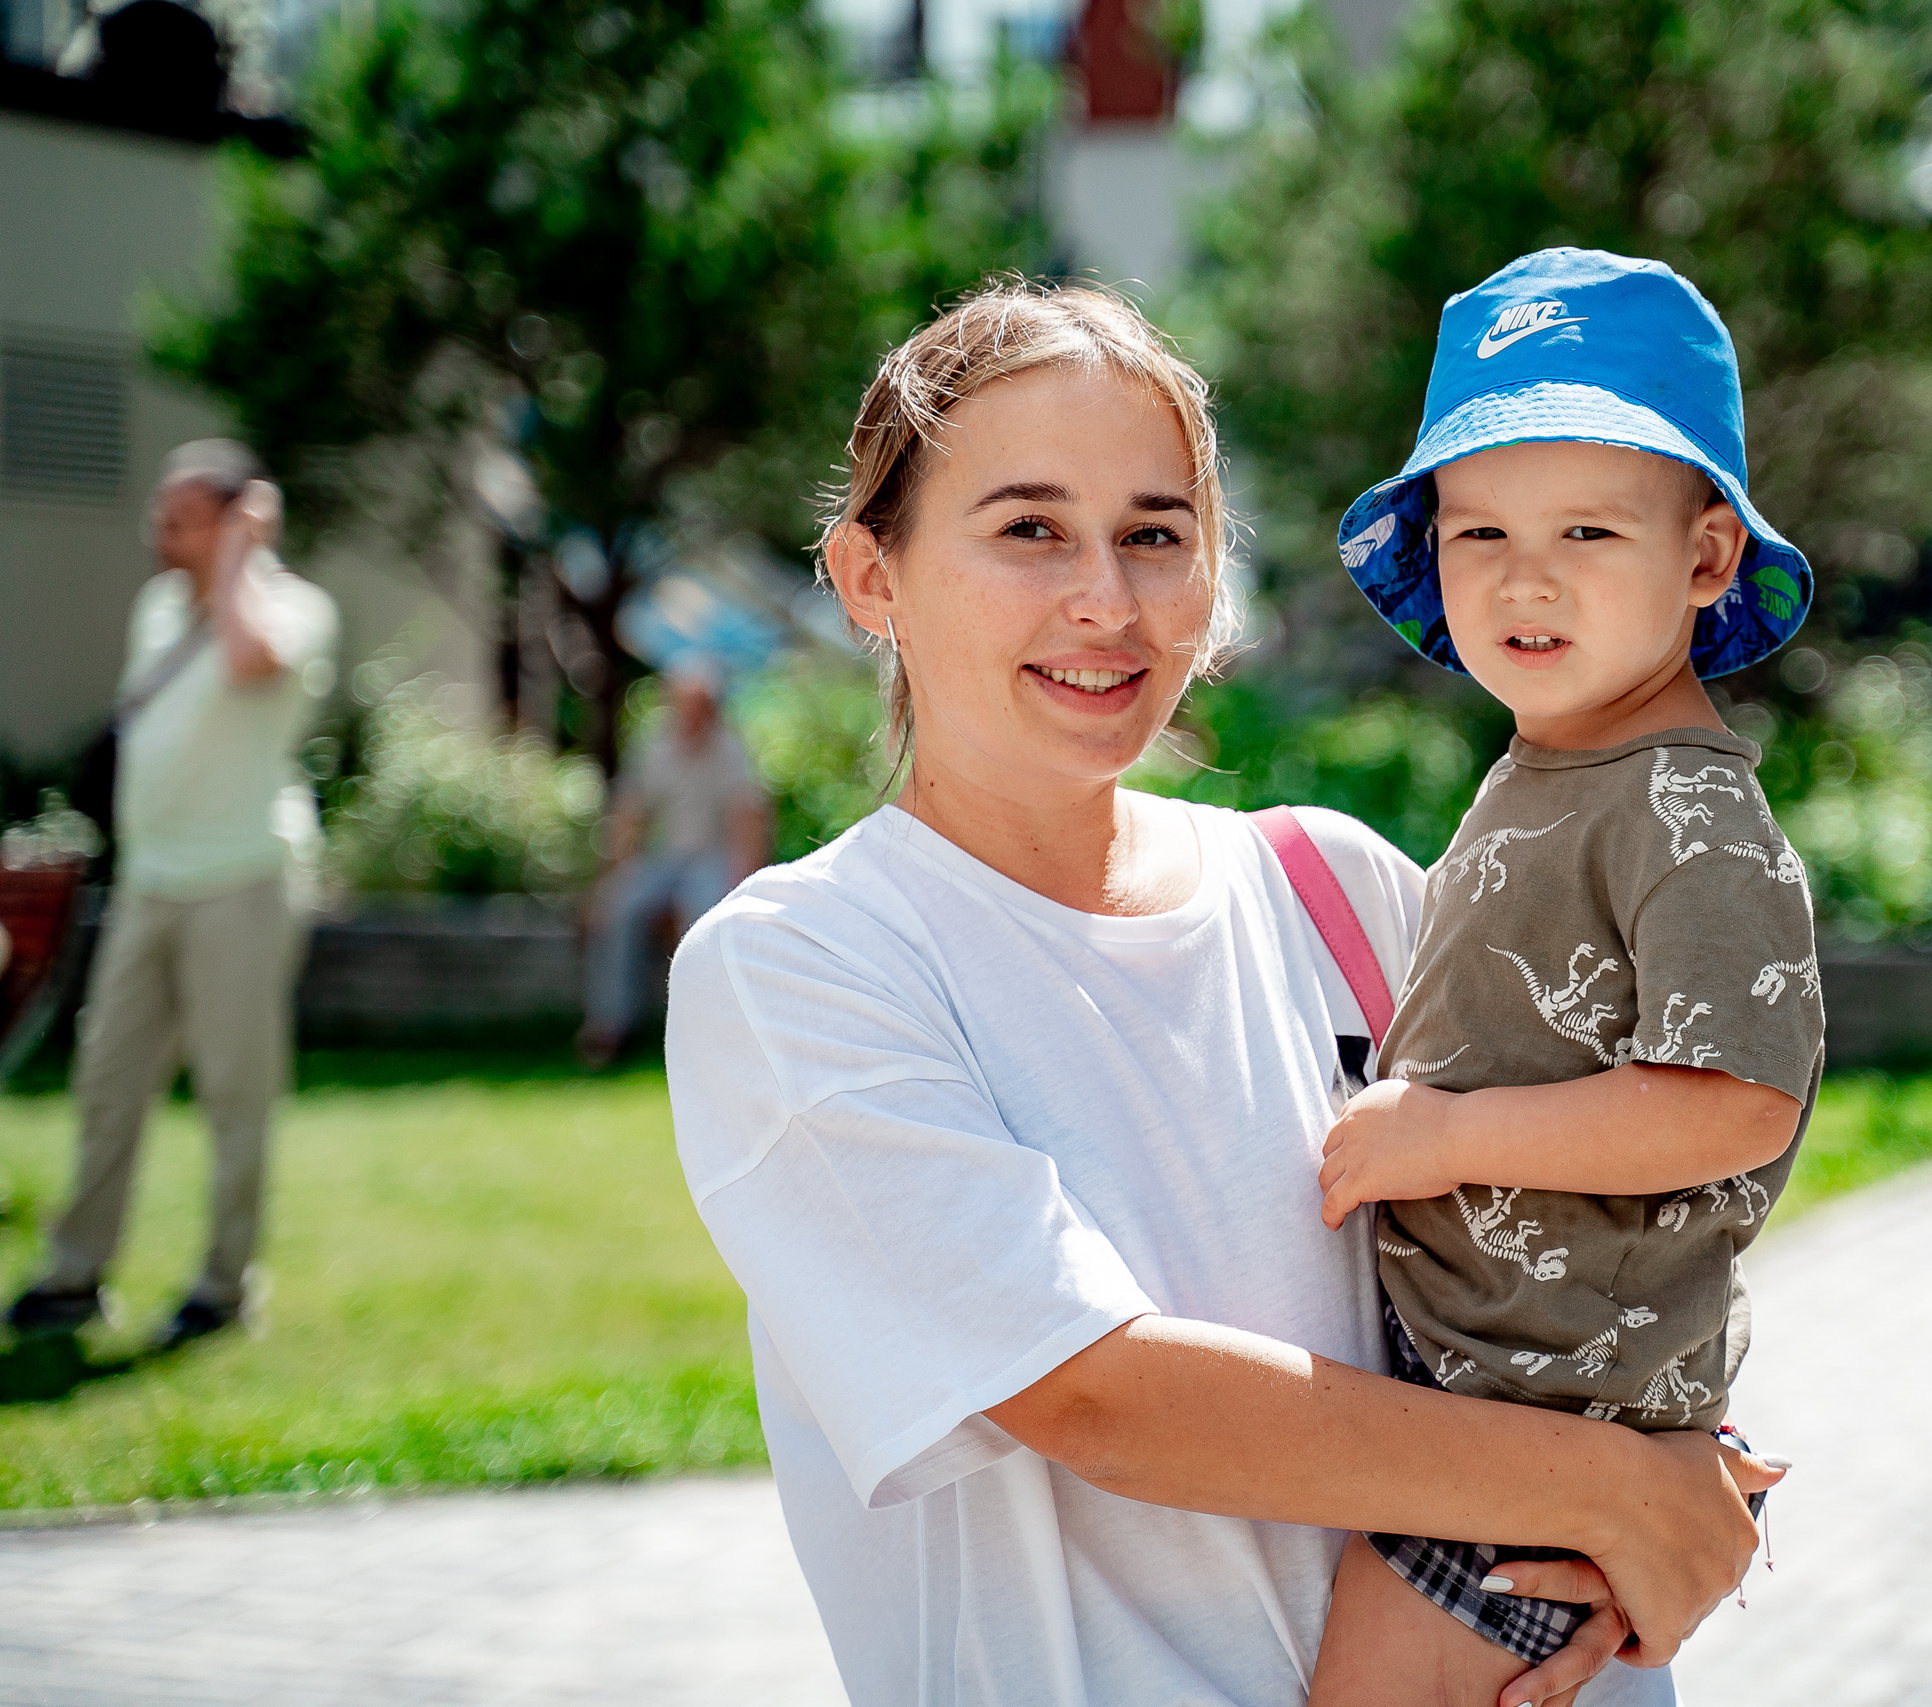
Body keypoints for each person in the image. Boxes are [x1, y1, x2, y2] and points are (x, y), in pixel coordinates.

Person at [665, 282, 1780, 1707]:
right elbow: (1097, 1394)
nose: (1106, 600)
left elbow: (1612, 1227)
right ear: (869, 576)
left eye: (1155, 534)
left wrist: (1686, 1461)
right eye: (1029, 530)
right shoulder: (805, 964)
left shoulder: (1341, 889)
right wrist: (1619, 1491)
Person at [1304, 249, 1824, 1705]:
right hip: (1494, 1390)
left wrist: (1444, 1136)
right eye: (1478, 531)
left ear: (1705, 558)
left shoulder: (1687, 810)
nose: (1524, 577)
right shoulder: (1559, 765)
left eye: (1588, 528)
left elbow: (1731, 1103)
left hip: (1544, 1424)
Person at [8, 440, 338, 1348]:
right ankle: (75, 1273)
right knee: (106, 1079)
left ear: (235, 520)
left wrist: (237, 556)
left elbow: (249, 660)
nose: (160, 532)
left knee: (235, 1093)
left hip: (242, 882)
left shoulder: (293, 607)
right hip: (150, 884)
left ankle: (225, 1286)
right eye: (163, 513)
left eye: (184, 519)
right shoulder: (156, 607)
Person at [576, 662, 768, 1066]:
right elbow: (630, 815)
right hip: (664, 858)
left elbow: (747, 819)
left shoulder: (730, 752)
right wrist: (615, 871)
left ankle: (700, 1028)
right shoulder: (654, 749)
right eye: (684, 705)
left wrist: (745, 880)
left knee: (703, 919)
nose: (692, 715)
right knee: (619, 907)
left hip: (712, 857)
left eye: (700, 706)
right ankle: (611, 1025)